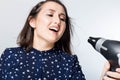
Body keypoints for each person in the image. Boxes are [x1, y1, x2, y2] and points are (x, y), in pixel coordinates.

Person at [0, 0, 86, 80]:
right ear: (32, 21)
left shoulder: (70, 62)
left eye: (62, 19)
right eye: (50, 14)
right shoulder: (10, 55)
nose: (58, 21)